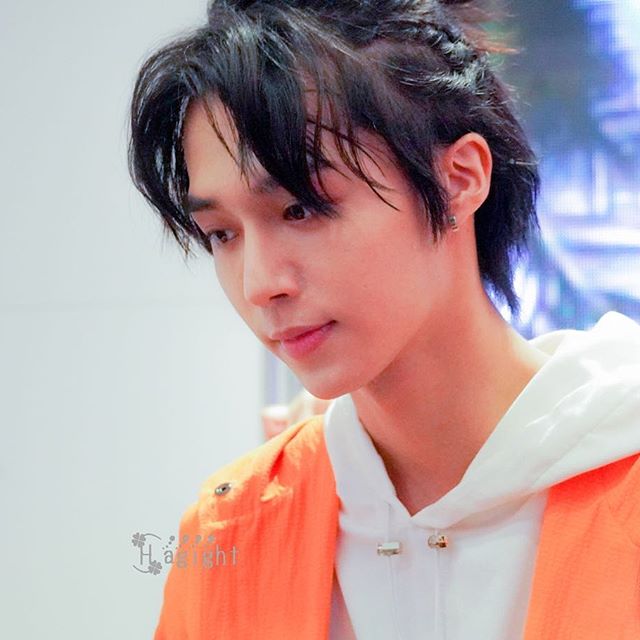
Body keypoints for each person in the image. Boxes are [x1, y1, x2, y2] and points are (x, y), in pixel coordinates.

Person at [128, 1, 640, 638]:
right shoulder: (230, 530)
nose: (259, 285)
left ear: (458, 180)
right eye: (222, 234)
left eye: (300, 209)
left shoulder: (621, 468)